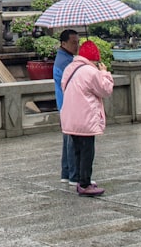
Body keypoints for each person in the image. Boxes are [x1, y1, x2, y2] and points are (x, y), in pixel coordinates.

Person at [59, 39, 113, 196]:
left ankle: (78, 179)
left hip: (71, 117)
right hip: (86, 118)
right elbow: (105, 90)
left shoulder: (70, 68)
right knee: (87, 151)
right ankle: (85, 183)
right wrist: (104, 73)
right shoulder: (91, 72)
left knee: (77, 150)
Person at [53, 29, 81, 187]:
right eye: (73, 42)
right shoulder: (66, 62)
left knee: (67, 140)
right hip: (68, 105)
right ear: (63, 43)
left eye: (78, 42)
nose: (76, 45)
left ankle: (66, 173)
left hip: (64, 104)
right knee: (73, 141)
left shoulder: (65, 57)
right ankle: (74, 176)